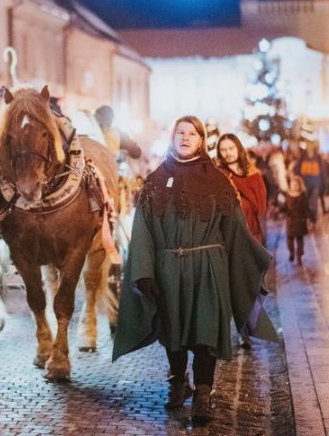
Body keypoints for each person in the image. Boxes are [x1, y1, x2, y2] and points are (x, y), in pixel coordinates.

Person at [112, 115, 278, 426]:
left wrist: (246, 267)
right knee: (172, 331)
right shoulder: (156, 180)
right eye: (180, 132)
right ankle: (178, 383)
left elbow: (235, 231)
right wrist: (144, 273)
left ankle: (203, 393)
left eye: (192, 133)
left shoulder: (218, 181)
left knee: (205, 332)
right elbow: (143, 230)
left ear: (202, 141)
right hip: (168, 269)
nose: (186, 137)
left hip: (207, 270)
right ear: (173, 138)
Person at [216, 133, 267, 245]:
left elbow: (261, 207)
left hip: (252, 233)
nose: (227, 153)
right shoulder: (217, 175)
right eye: (223, 150)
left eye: (231, 148)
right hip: (228, 237)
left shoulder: (253, 175)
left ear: (238, 149)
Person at [292, 143, 328, 227]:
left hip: (315, 184)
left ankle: (313, 220)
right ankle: (306, 219)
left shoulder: (318, 158)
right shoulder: (302, 158)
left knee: (314, 203)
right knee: (305, 203)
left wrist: (325, 184)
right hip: (304, 184)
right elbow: (296, 170)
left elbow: (323, 172)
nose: (310, 148)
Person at [283, 175, 310, 265]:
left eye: (296, 185)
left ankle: (299, 256)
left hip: (300, 220)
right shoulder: (287, 195)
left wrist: (310, 218)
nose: (294, 186)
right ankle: (291, 253)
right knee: (290, 239)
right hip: (290, 220)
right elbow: (284, 207)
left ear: (299, 185)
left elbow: (306, 208)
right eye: (292, 184)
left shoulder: (303, 195)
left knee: (300, 239)